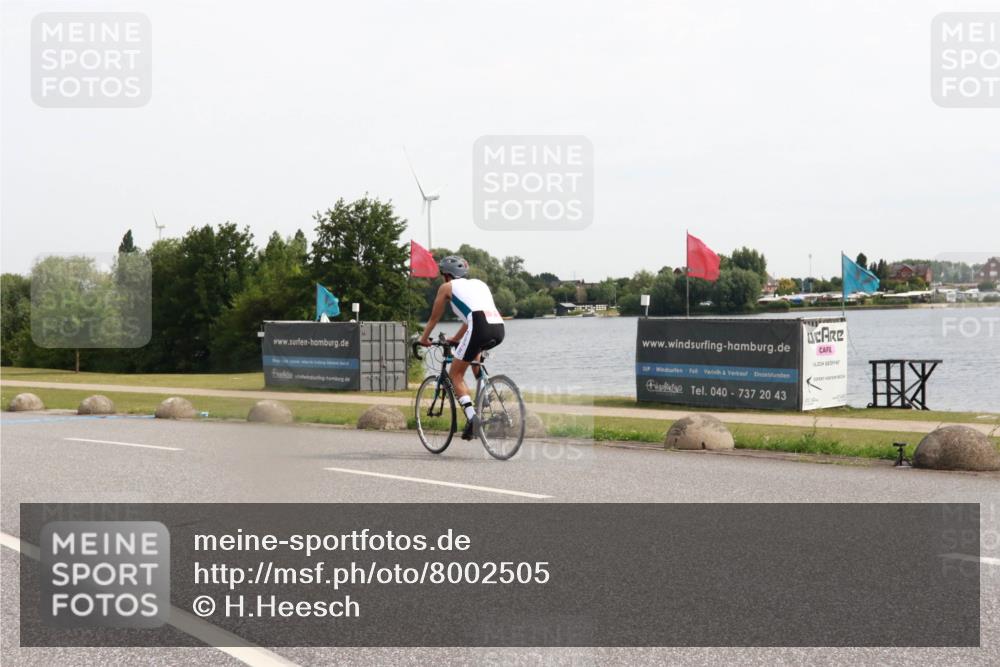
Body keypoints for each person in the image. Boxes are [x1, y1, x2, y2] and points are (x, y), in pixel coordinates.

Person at [418, 255, 505, 440]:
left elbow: (434, 318)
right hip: (498, 327)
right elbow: (472, 316)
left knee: (455, 374)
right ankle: (485, 397)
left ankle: (473, 419)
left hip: (480, 326)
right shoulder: (479, 284)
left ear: (446, 274)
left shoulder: (447, 287)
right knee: (474, 358)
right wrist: (456, 339)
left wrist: (424, 339)